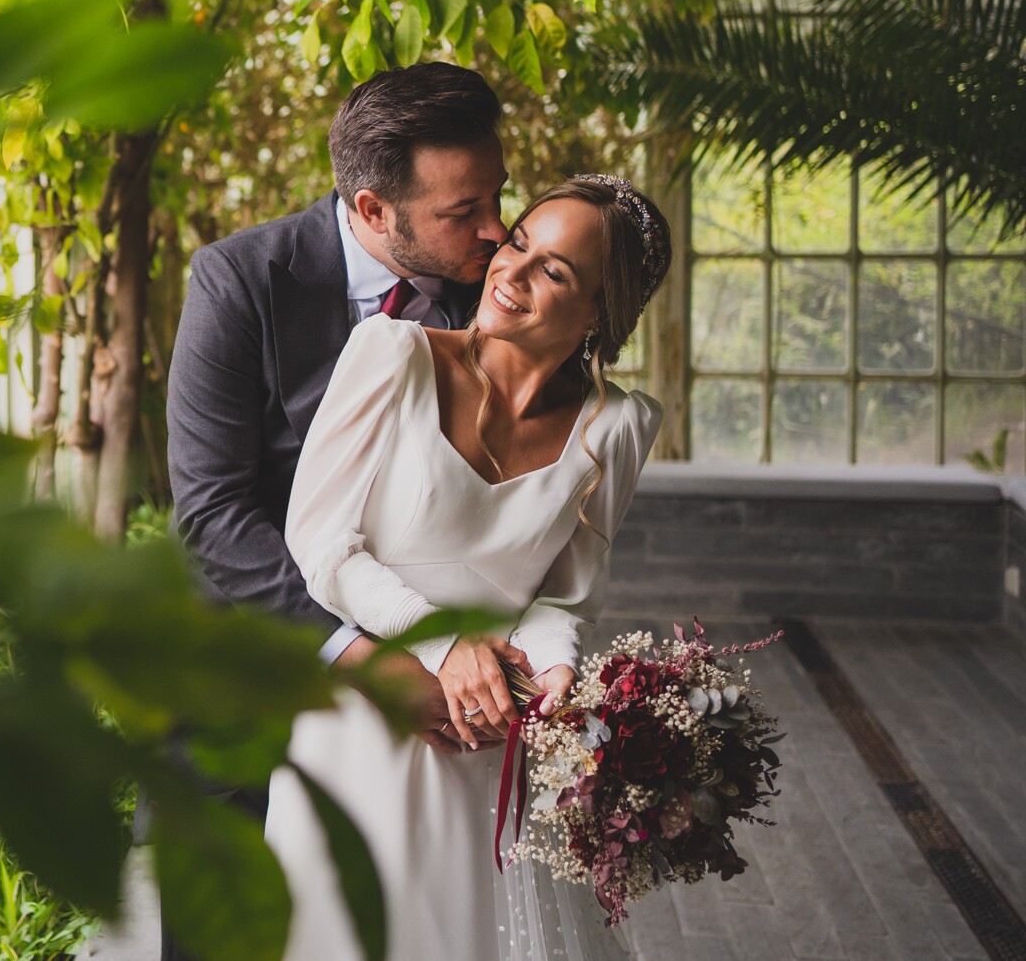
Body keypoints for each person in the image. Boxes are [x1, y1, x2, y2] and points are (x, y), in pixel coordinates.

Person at [265, 174, 672, 961]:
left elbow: (565, 599)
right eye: (517, 241)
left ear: (600, 312)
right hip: (358, 732)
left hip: (487, 751)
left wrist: (554, 681)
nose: (510, 272)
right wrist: (445, 647)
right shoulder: (391, 356)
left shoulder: (618, 426)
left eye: (553, 270)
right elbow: (321, 545)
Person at [163, 62, 509, 961]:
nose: (495, 229)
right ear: (370, 209)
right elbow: (212, 515)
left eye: (496, 196)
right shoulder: (239, 283)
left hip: (435, 720)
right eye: (461, 211)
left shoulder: (503, 298)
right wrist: (361, 656)